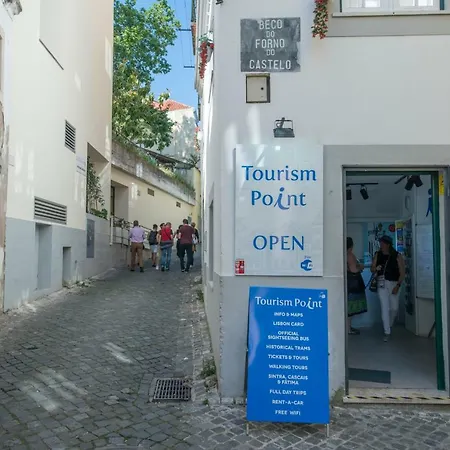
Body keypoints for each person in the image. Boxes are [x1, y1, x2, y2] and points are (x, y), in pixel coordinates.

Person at [371, 235, 405, 342]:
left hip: (394, 283)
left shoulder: (397, 255)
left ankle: (389, 324)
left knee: (394, 308)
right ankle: (387, 331)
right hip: (382, 283)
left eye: (382, 243)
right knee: (384, 307)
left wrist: (398, 285)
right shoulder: (378, 254)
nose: (381, 245)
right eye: (380, 243)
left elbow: (402, 272)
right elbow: (372, 268)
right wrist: (375, 268)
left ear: (388, 244)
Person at [346, 237, 367, 335]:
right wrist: (360, 267)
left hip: (347, 283)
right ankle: (348, 329)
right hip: (353, 284)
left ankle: (347, 327)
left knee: (348, 307)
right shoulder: (349, 255)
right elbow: (354, 270)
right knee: (350, 308)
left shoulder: (342, 254)